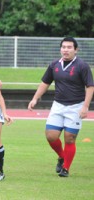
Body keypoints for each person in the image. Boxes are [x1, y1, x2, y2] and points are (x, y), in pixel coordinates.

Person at [28, 37, 94, 177]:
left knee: (69, 138)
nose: (66, 50)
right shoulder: (54, 65)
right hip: (58, 105)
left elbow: (90, 86)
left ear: (76, 50)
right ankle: (62, 156)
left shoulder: (82, 66)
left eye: (69, 47)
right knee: (51, 136)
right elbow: (45, 83)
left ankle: (66, 168)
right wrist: (35, 98)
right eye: (63, 47)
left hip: (76, 106)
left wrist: (85, 106)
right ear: (60, 49)